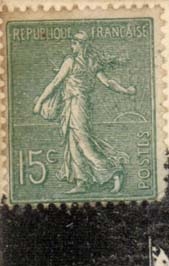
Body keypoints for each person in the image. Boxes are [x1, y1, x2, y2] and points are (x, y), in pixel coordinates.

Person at [32, 31, 135, 194]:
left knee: (83, 141)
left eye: (74, 42)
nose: (72, 45)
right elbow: (107, 83)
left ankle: (114, 172)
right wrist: (126, 91)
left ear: (82, 44)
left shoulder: (72, 61)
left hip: (78, 103)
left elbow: (55, 83)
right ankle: (82, 181)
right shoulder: (87, 62)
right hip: (71, 104)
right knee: (72, 141)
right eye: (72, 42)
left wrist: (39, 102)